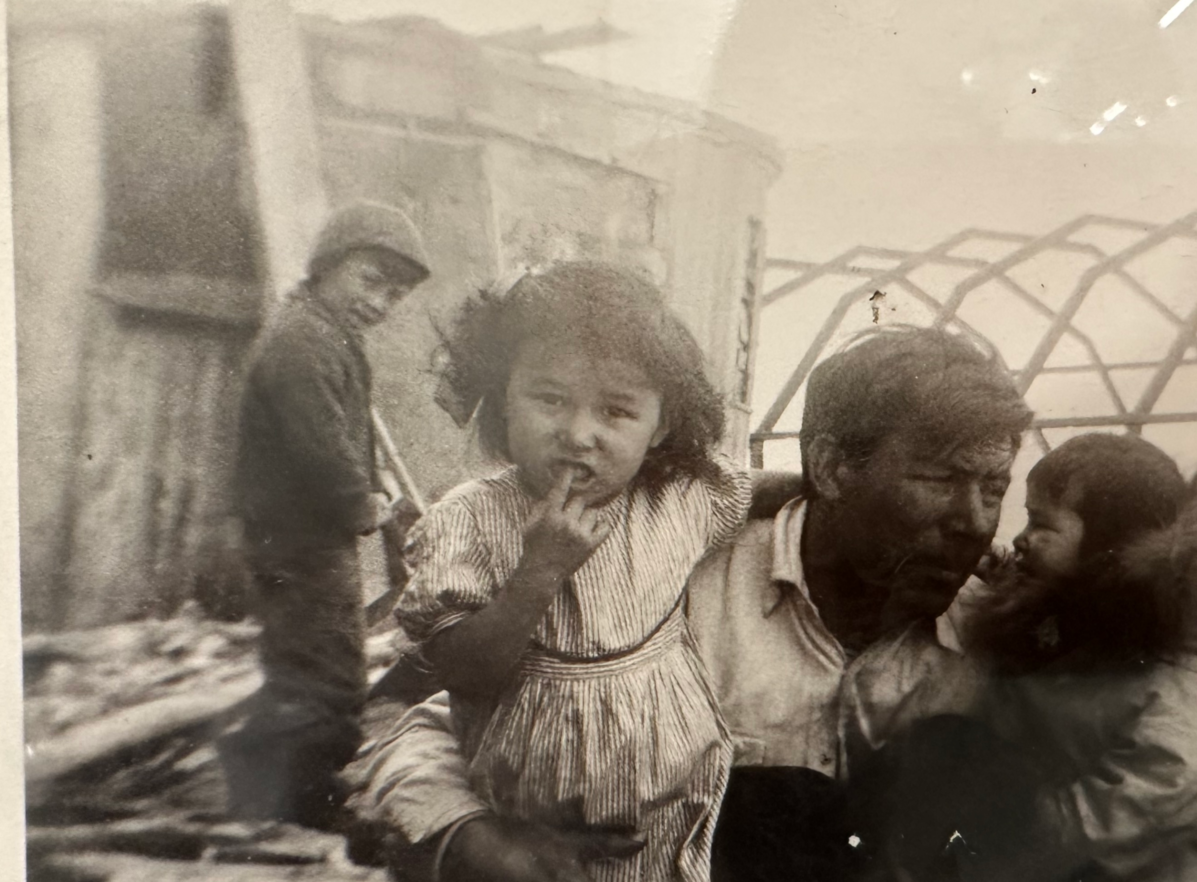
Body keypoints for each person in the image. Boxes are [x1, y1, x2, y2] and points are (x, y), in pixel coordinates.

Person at [347, 324, 1035, 882]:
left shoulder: (1000, 635)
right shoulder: (671, 574)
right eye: (940, 479)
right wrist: (471, 840)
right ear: (829, 467)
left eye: (994, 487)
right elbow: (427, 729)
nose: (974, 520)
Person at [853, 433, 1197, 882]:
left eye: (1042, 525)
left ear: (1109, 547)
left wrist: (1028, 826)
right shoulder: (1087, 622)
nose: (1022, 539)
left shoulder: (1171, 669)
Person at [221, 201, 432, 830]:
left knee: (303, 667)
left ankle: (255, 778)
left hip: (303, 538)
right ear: (328, 265)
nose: (380, 302)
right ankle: (306, 811)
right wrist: (361, 501)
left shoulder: (325, 333)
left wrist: (373, 489)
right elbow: (319, 444)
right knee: (330, 680)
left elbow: (343, 432)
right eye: (371, 281)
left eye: (394, 294)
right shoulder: (303, 342)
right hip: (299, 542)